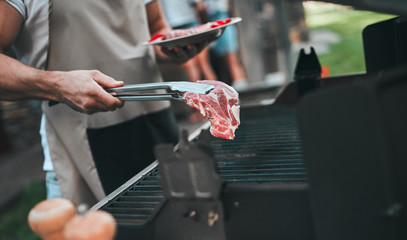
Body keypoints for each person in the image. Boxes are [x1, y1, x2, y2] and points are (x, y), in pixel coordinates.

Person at [0, 0, 210, 205]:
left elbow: (156, 27)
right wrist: (58, 85)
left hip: (157, 126)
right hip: (79, 144)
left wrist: (170, 45)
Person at [159, 0, 217, 82]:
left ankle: (196, 92)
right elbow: (200, 5)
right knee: (204, 65)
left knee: (191, 67)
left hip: (172, 27)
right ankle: (217, 93)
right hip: (189, 22)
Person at [200, 0, 248, 91]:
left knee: (232, 58)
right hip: (212, 22)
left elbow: (202, 7)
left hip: (222, 20)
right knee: (225, 61)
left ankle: (241, 87)